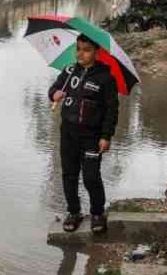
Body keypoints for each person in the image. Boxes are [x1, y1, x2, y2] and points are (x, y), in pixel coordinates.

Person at [48, 33, 119, 234]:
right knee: (69, 175)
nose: (81, 53)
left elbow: (112, 111)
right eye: (78, 49)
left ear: (96, 52)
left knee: (90, 177)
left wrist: (106, 136)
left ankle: (97, 213)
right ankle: (74, 212)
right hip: (68, 134)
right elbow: (53, 88)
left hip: (92, 137)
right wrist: (54, 94)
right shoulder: (69, 71)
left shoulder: (106, 78)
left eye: (86, 50)